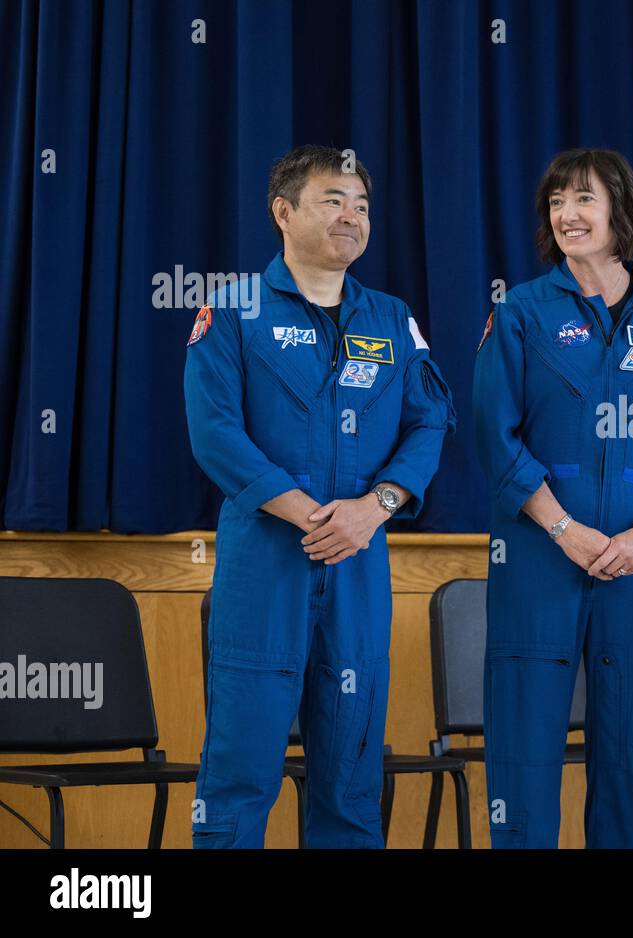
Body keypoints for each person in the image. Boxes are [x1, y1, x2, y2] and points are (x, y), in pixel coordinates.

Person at [184, 145, 455, 847]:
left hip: (359, 565)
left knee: (351, 778)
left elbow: (430, 424)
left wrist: (376, 507)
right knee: (240, 776)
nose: (352, 216)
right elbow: (215, 433)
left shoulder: (392, 320)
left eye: (362, 205)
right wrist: (309, 513)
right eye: (333, 199)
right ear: (283, 211)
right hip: (265, 566)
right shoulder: (231, 311)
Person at [472, 148, 633, 848]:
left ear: (621, 211)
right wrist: (563, 531)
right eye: (556, 202)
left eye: (583, 199)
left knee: (630, 747)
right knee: (524, 754)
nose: (567, 214)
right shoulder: (520, 311)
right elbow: (495, 438)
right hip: (538, 560)